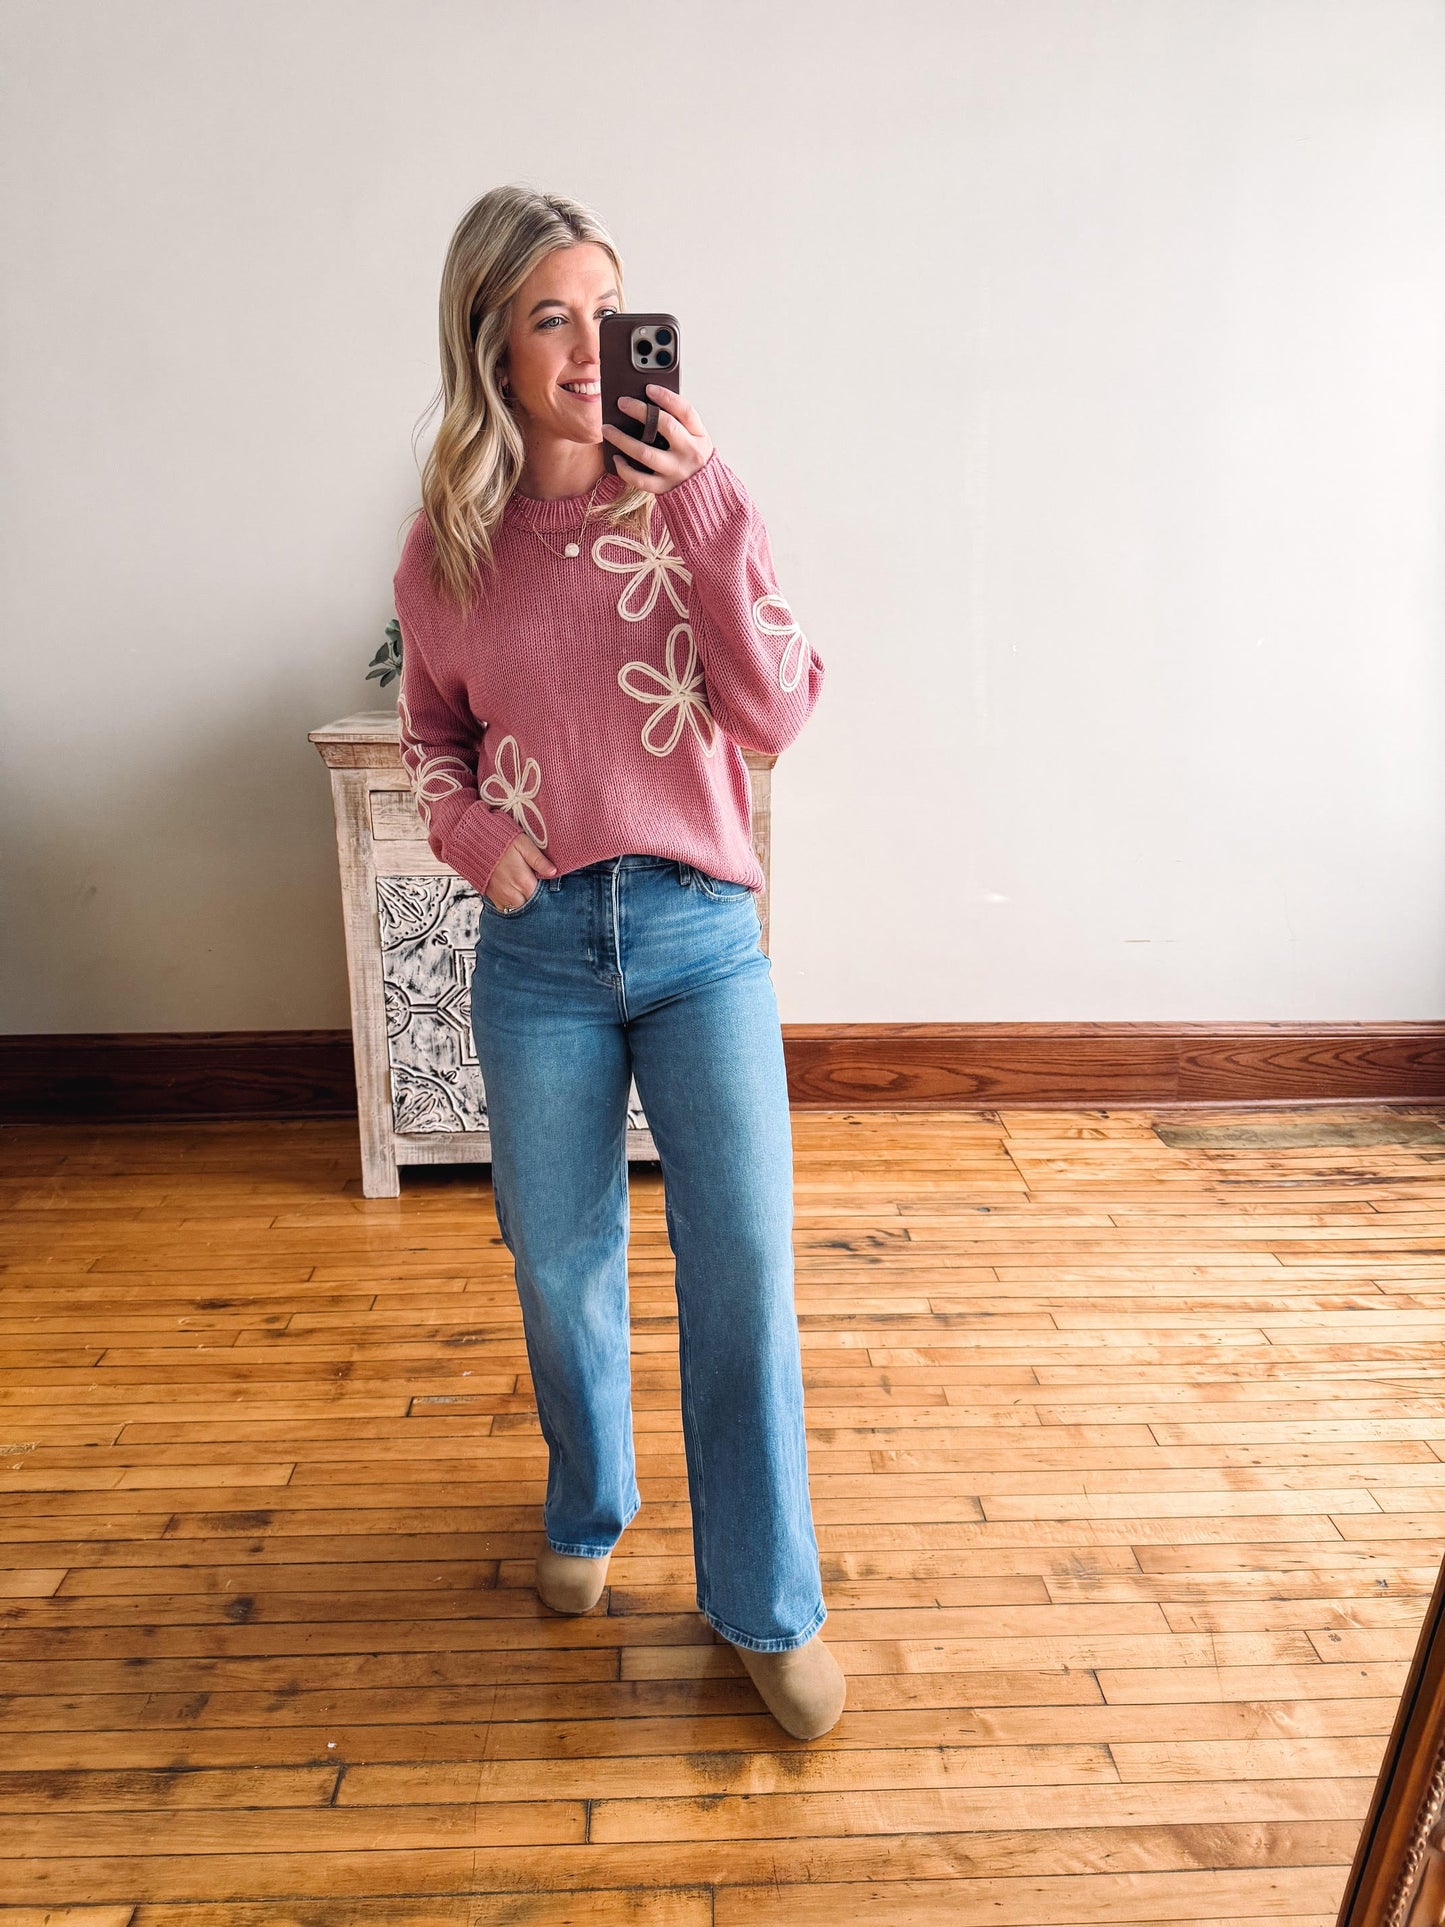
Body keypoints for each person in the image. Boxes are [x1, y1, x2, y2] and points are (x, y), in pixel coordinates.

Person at [391, 185, 844, 1741]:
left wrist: (706, 505)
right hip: (538, 956)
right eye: (549, 317)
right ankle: (588, 1509)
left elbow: (778, 711)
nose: (590, 347)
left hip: (700, 937)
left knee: (743, 1274)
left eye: (608, 311)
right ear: (492, 347)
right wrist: (471, 843)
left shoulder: (696, 503)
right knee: (561, 1258)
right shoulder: (448, 546)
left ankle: (764, 1600)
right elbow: (432, 745)